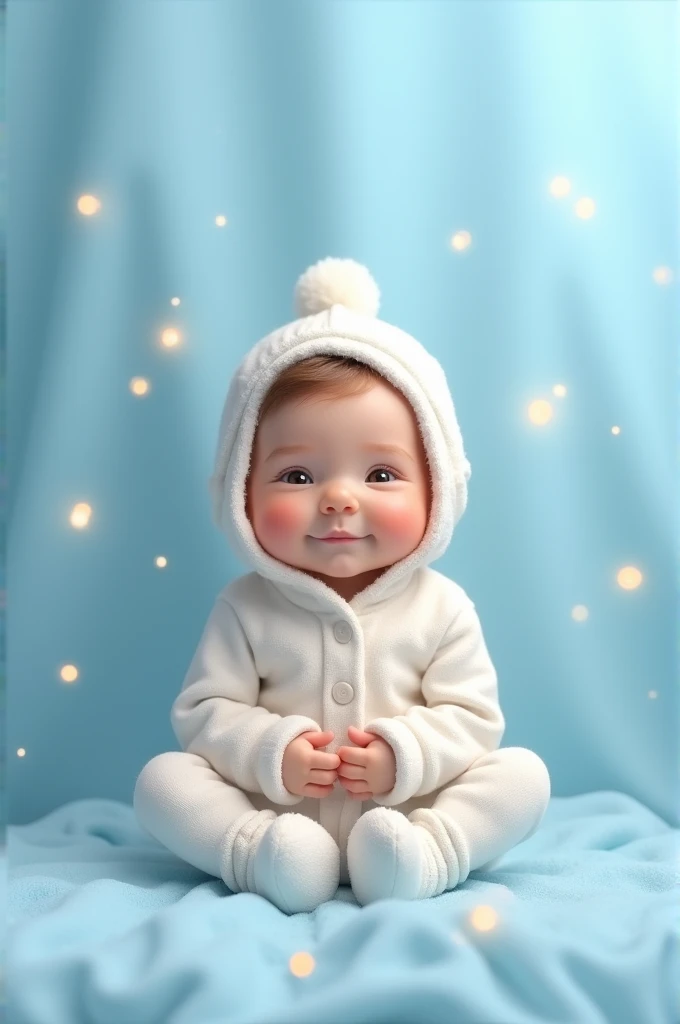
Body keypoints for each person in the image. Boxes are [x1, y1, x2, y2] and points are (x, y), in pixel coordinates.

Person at [134, 258, 551, 914]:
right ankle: (263, 854)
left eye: (381, 474)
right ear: (239, 489)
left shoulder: (442, 607)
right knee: (162, 782)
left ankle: (427, 854)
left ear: (439, 487)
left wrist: (402, 753)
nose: (336, 499)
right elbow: (204, 713)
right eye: (297, 476)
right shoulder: (245, 607)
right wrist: (275, 751)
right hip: (281, 812)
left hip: (405, 813)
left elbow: (474, 721)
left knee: (523, 775)